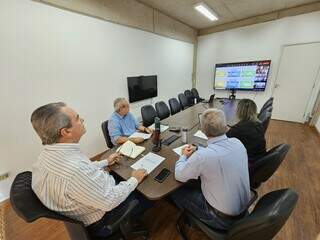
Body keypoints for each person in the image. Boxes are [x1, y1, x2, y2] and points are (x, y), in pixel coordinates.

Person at [31, 102, 150, 238]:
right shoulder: (75, 171)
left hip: (84, 203)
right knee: (147, 190)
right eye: (77, 118)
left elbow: (83, 170)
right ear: (66, 132)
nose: (82, 120)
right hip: (103, 218)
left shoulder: (46, 155)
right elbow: (110, 200)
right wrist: (134, 179)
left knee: (122, 174)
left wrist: (105, 162)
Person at [172, 109, 251, 231]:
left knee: (175, 192)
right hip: (245, 210)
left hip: (222, 219)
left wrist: (183, 155)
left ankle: (193, 220)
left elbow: (179, 175)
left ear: (202, 130)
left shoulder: (203, 157)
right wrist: (198, 149)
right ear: (225, 126)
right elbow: (217, 152)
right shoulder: (238, 143)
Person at [226, 98, 266, 167]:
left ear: (239, 111)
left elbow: (223, 141)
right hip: (259, 159)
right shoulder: (259, 124)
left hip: (249, 163)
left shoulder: (238, 129)